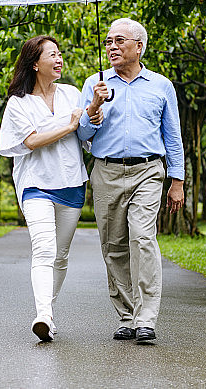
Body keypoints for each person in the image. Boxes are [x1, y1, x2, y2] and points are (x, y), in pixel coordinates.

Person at [77, 18, 185, 344]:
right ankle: (126, 315)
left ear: (139, 47)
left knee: (142, 237)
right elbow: (82, 134)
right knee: (113, 246)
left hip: (148, 171)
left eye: (119, 41)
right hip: (106, 170)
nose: (111, 47)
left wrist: (177, 180)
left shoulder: (161, 86)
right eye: (108, 41)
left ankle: (146, 318)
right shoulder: (93, 84)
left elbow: (173, 137)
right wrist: (94, 105)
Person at [0, 35, 103, 342]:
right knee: (44, 248)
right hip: (36, 185)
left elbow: (87, 131)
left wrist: (94, 107)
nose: (59, 60)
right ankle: (43, 314)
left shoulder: (72, 93)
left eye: (60, 54)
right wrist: (69, 126)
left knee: (61, 256)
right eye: (52, 55)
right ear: (35, 63)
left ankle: (49, 314)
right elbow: (30, 141)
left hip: (71, 182)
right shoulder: (18, 103)